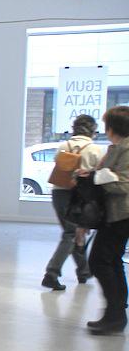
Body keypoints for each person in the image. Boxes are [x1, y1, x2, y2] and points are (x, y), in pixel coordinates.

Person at [42, 114, 105, 290]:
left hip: (58, 193)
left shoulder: (63, 146)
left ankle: (84, 271)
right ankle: (51, 273)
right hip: (79, 196)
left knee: (73, 232)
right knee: (72, 233)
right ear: (92, 131)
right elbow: (99, 175)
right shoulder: (95, 149)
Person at [86, 106, 129, 334]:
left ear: (113, 127)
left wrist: (99, 178)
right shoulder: (117, 148)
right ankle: (116, 313)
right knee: (111, 261)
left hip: (122, 214)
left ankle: (115, 314)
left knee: (99, 261)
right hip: (114, 214)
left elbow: (123, 185)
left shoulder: (126, 149)